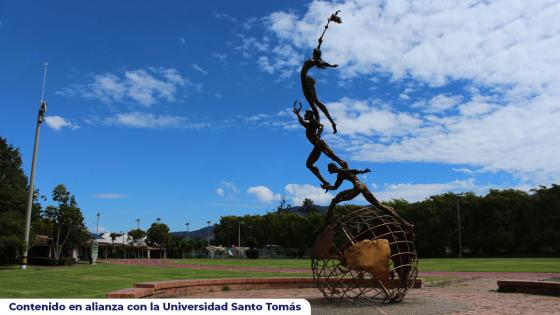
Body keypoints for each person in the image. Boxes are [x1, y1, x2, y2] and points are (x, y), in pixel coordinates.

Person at [323, 163, 414, 233]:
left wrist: (362, 171)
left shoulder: (342, 172)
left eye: (329, 169)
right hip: (363, 187)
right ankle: (406, 223)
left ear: (333, 168)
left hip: (358, 187)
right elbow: (335, 187)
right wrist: (327, 187)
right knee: (379, 205)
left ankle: (329, 221)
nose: (328, 171)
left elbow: (353, 171)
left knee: (340, 197)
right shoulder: (340, 175)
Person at [293, 102, 348, 187]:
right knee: (309, 164)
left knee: (334, 157)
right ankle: (324, 181)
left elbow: (321, 126)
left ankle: (346, 168)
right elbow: (302, 122)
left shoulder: (313, 122)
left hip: (320, 144)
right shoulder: (309, 124)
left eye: (306, 114)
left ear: (310, 115)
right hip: (317, 146)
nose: (304, 116)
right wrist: (297, 114)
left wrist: (318, 134)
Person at [300, 48, 339, 133]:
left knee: (316, 102)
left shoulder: (314, 61)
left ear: (315, 54)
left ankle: (331, 122)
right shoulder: (314, 59)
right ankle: (319, 123)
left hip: (306, 82)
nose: (312, 53)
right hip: (304, 83)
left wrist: (331, 66)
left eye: (314, 52)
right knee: (314, 104)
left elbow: (322, 62)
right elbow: (318, 55)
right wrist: (319, 43)